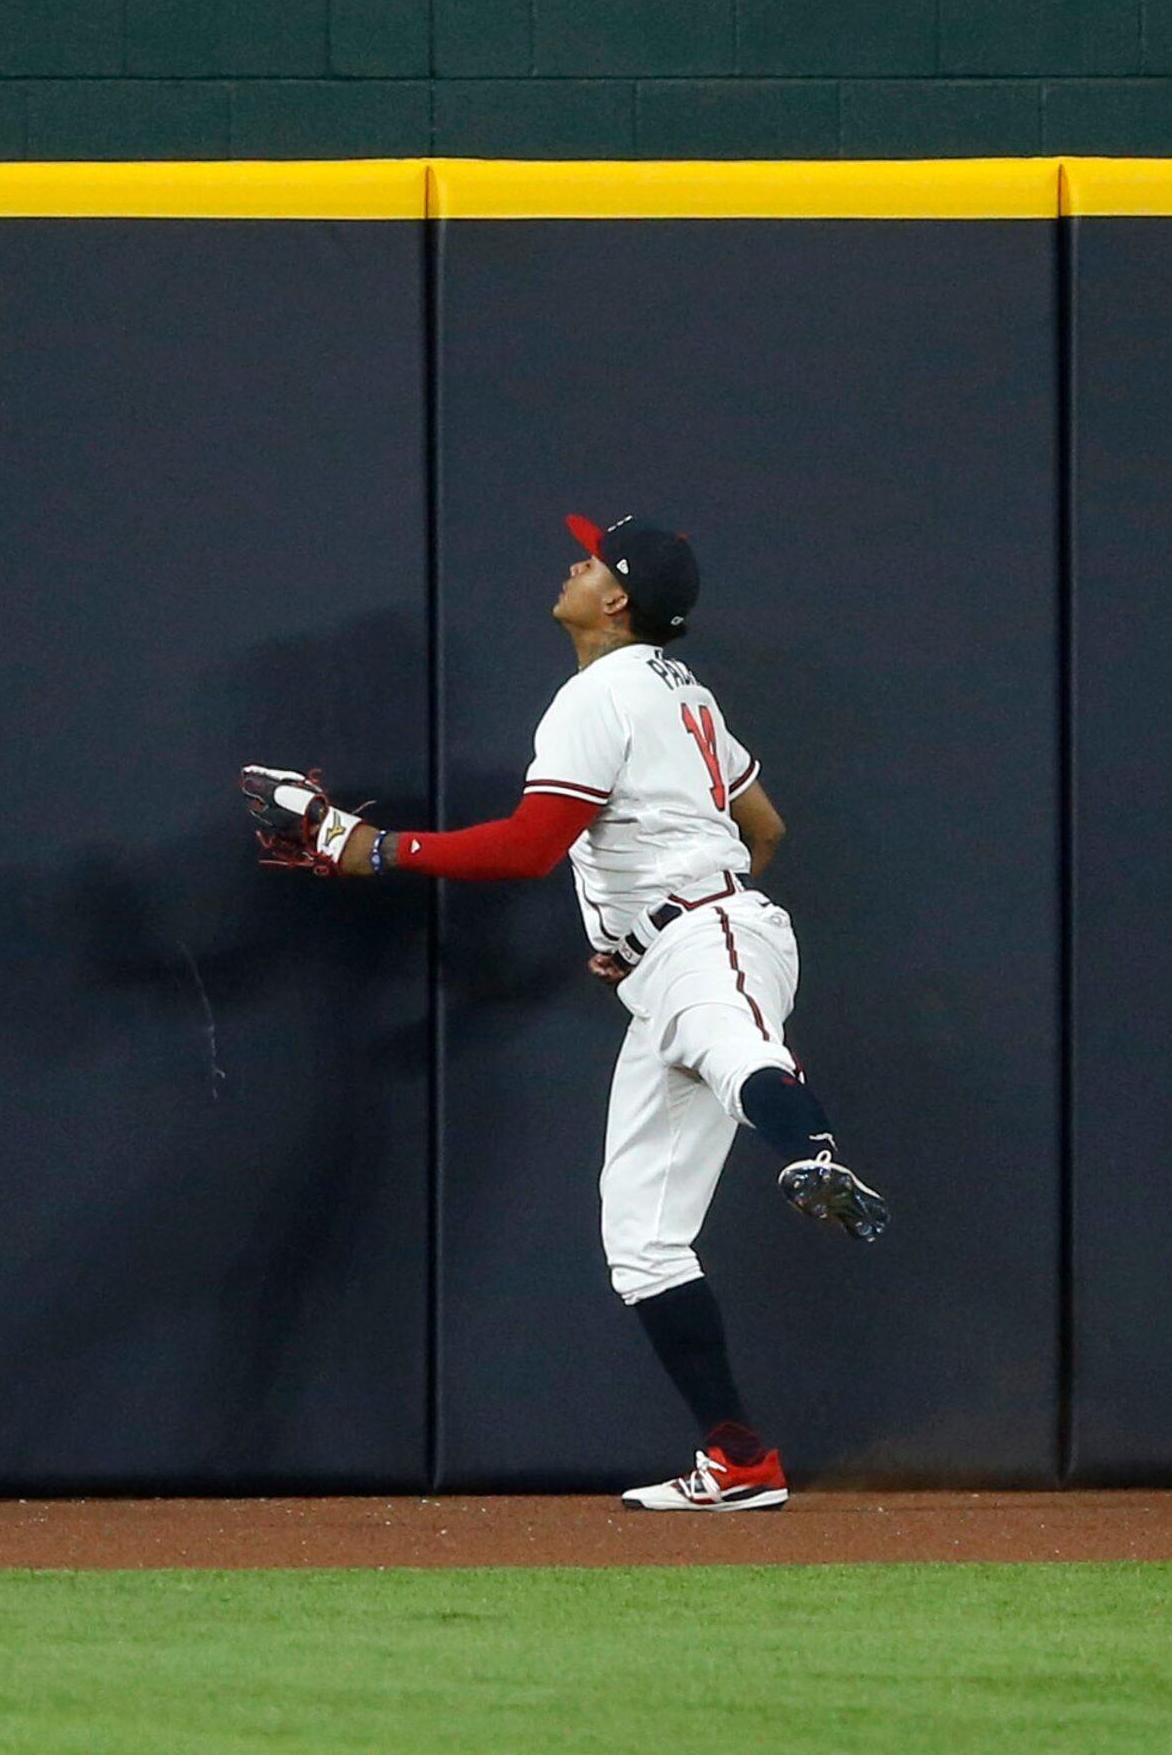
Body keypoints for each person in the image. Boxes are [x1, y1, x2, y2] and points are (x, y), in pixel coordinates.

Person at [242, 513, 887, 1514]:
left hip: (707, 939)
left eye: (588, 560)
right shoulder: (683, 694)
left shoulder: (598, 693)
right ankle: (739, 1457)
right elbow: (763, 824)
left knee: (733, 1046)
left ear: (616, 598)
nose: (571, 566)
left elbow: (528, 846)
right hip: (689, 942)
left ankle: (811, 1149)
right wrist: (649, 930)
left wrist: (375, 849)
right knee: (639, 1242)